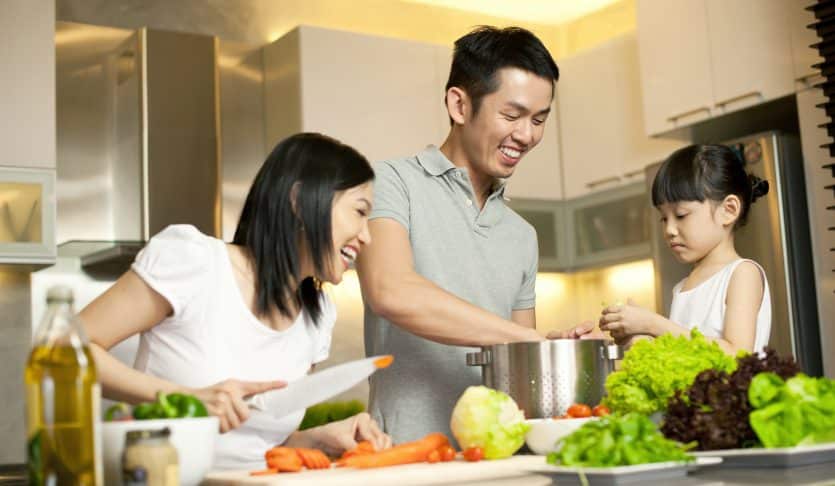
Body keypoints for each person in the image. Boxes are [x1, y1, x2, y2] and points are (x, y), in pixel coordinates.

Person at [80, 133, 391, 470]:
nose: (366, 235)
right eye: (359, 212)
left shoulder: (317, 317)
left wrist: (316, 439)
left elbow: (254, 444)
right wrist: (186, 399)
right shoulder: (194, 262)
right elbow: (58, 350)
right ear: (300, 202)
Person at [356, 26, 593, 445]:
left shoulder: (523, 236)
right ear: (459, 104)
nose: (527, 135)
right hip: (404, 457)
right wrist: (525, 337)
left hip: (496, 458)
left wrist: (547, 348)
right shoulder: (391, 183)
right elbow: (390, 291)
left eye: (539, 120)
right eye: (512, 115)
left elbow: (519, 363)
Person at [599, 144, 772, 355]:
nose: (669, 230)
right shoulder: (682, 287)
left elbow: (736, 353)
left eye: (681, 215)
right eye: (664, 218)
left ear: (729, 210)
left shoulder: (742, 274)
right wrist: (641, 338)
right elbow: (686, 354)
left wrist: (653, 324)